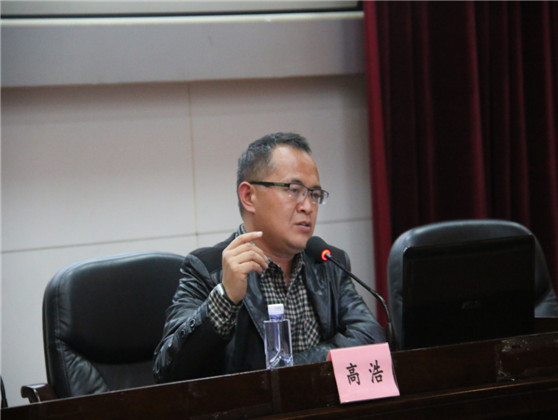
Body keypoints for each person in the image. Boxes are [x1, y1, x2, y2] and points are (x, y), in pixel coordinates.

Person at [153, 132, 385, 382]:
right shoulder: (208, 269)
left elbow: (372, 339)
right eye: (294, 190)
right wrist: (225, 298)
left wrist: (287, 369)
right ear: (249, 197)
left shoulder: (327, 262)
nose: (308, 206)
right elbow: (169, 372)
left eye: (314, 194)